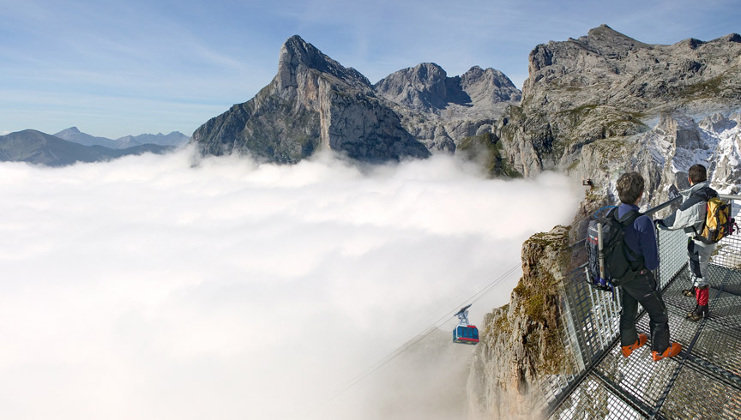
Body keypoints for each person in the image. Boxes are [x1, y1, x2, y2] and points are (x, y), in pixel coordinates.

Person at [615, 172, 682, 361]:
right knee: (659, 313)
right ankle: (660, 350)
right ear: (641, 194)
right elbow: (652, 262)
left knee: (628, 310)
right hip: (639, 277)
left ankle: (628, 344)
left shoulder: (612, 215)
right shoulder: (642, 221)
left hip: (621, 275)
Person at [657, 164, 717, 321]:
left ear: (690, 179)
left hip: (700, 243)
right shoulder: (711, 192)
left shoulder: (696, 199)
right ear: (704, 178)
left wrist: (658, 224)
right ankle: (694, 288)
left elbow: (675, 221)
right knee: (696, 267)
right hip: (708, 239)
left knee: (699, 274)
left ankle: (702, 309)